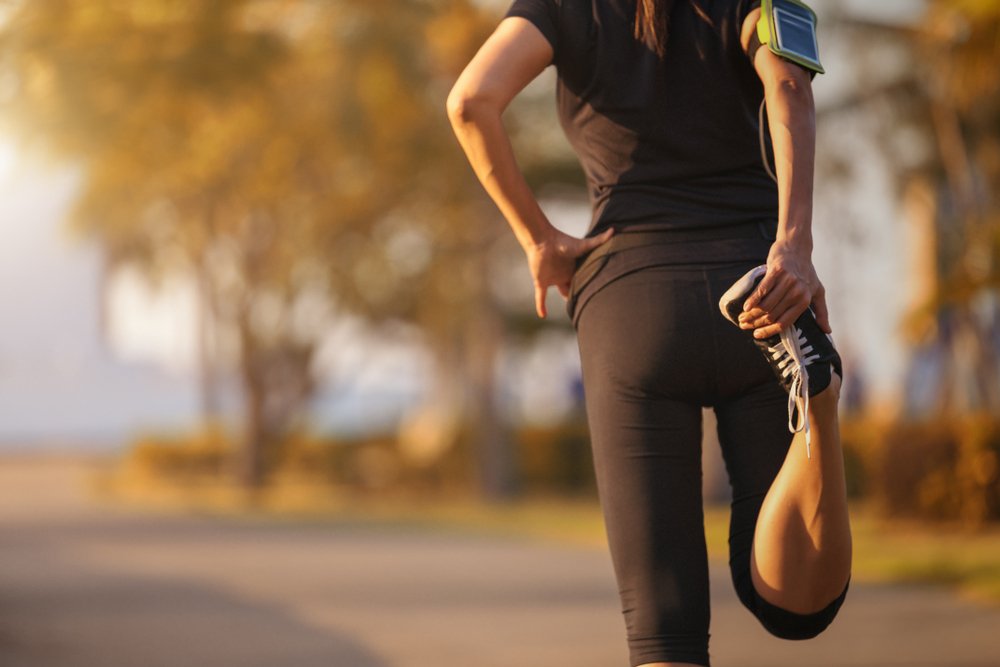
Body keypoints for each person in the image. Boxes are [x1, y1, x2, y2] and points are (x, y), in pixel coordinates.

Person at [446, 1, 852, 665]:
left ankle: (815, 399)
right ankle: (820, 406)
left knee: (666, 633)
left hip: (630, 300)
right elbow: (788, 87)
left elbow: (470, 101)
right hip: (758, 294)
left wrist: (539, 238)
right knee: (797, 607)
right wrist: (794, 249)